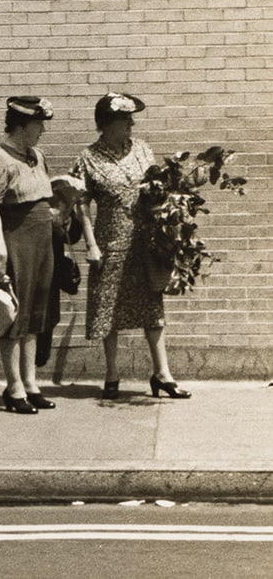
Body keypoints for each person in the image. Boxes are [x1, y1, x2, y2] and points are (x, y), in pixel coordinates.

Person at [72, 92, 190, 400]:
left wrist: (165, 200)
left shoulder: (142, 149)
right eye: (126, 119)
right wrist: (91, 244)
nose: (131, 124)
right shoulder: (88, 158)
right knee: (107, 307)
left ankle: (162, 373)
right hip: (110, 241)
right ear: (107, 123)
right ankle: (112, 373)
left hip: (145, 241)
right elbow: (80, 203)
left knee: (152, 306)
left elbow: (158, 188)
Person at [0, 96, 57, 415]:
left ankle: (31, 384)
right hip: (15, 245)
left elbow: (43, 197)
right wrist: (0, 253)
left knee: (35, 313)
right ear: (22, 126)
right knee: (13, 315)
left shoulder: (37, 156)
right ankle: (14, 389)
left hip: (42, 245)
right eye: (38, 124)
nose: (42, 131)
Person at [36, 175, 84, 369]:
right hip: (26, 264)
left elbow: (73, 236)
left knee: (45, 323)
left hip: (49, 270)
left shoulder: (58, 197)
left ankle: (32, 374)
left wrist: (66, 217)